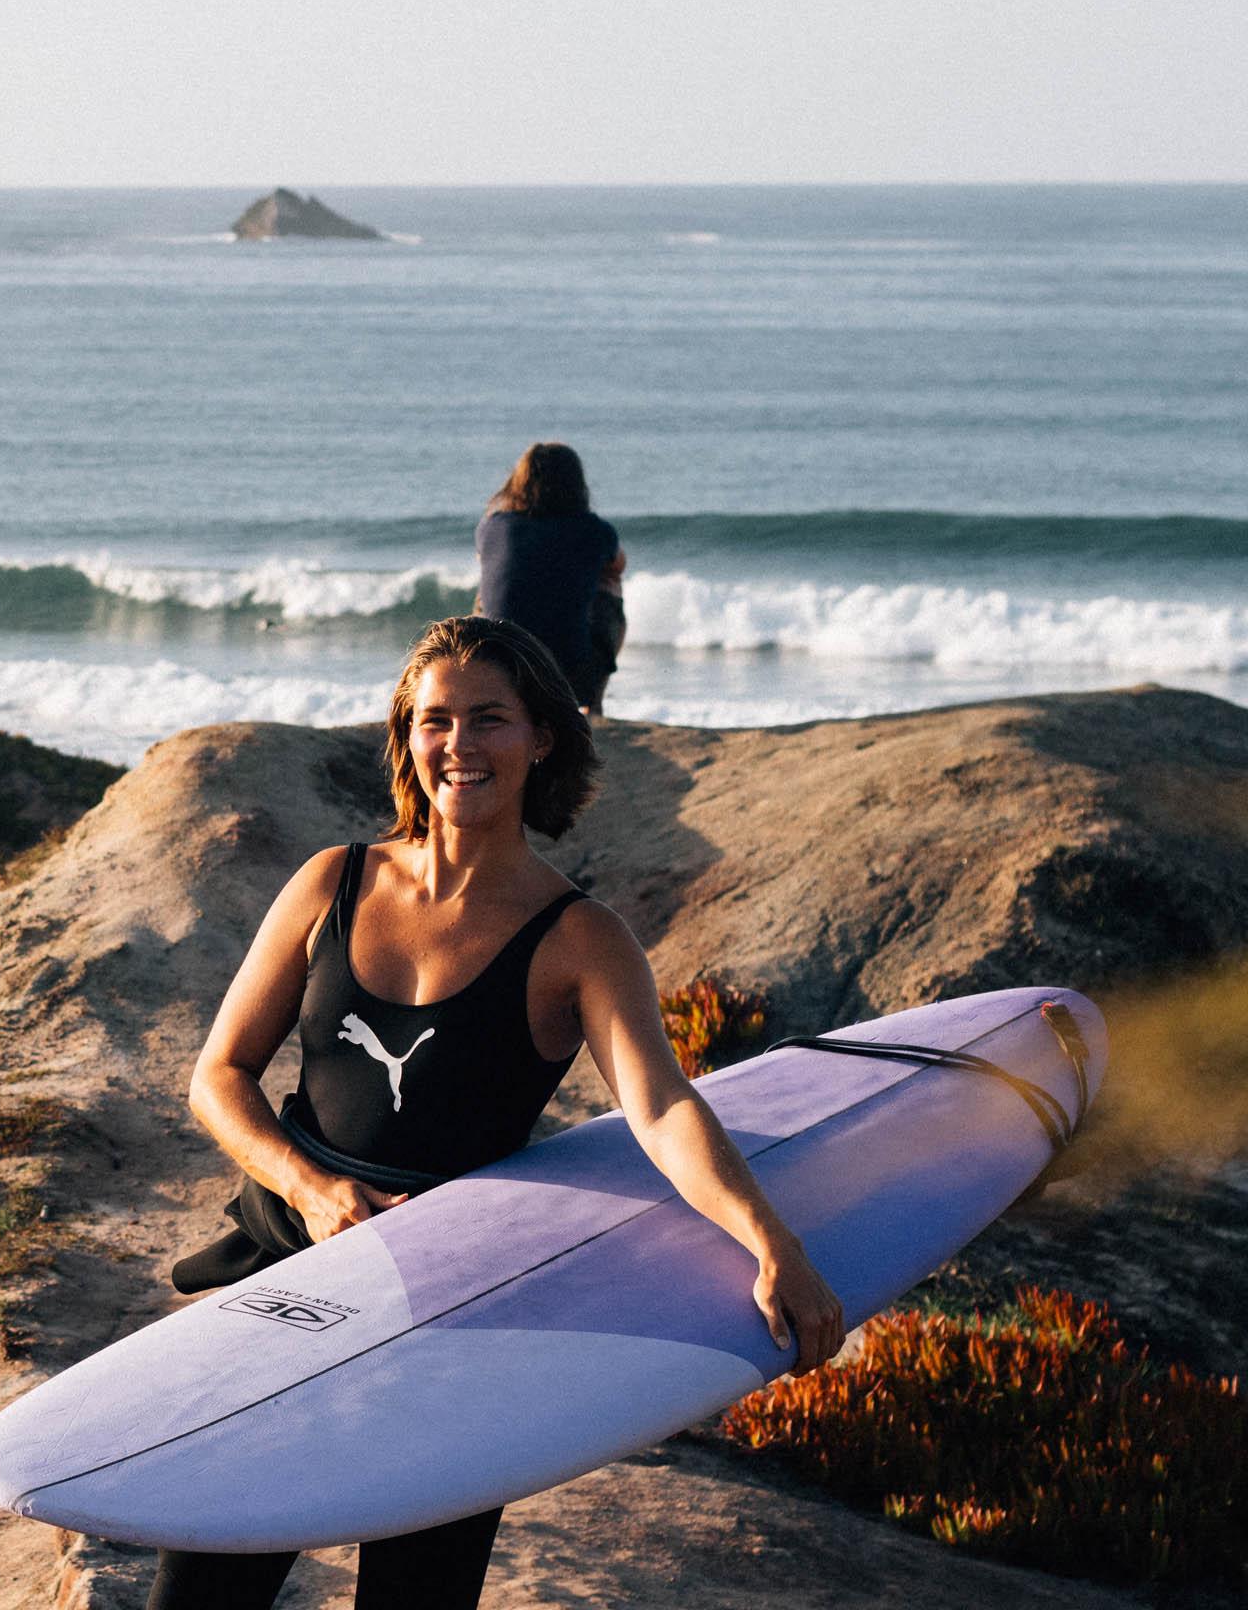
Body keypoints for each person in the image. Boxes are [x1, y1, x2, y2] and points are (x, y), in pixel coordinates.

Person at [152, 616, 842, 1610]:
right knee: (206, 1582)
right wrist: (309, 1187)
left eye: (490, 718)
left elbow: (660, 1109)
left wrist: (772, 1241)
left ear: (542, 738)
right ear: (406, 735)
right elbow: (219, 1074)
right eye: (435, 719)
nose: (459, 744)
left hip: (453, 1308)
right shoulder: (333, 882)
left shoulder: (581, 938)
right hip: (293, 1274)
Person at [473, 442, 624, 713]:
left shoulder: (492, 525)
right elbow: (618, 565)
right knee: (611, 583)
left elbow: (484, 560)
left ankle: (484, 678)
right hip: (570, 677)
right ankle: (593, 703)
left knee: (485, 591)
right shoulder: (595, 530)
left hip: (501, 670)